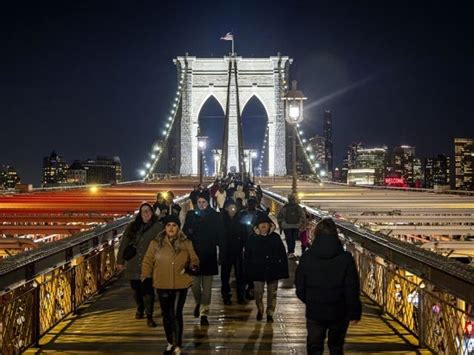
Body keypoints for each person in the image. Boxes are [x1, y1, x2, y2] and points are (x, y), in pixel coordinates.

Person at [295, 218, 362, 355]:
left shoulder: (307, 257)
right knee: (336, 346)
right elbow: (352, 287)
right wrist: (354, 311)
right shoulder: (345, 258)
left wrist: (310, 300)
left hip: (315, 310)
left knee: (314, 346)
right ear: (335, 235)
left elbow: (300, 285)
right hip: (339, 310)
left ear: (316, 234)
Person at [141, 214, 199, 354]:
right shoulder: (155, 243)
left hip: (180, 283)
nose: (171, 228)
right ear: (165, 228)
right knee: (166, 314)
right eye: (168, 225)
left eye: (174, 225)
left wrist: (193, 266)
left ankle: (177, 344)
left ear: (178, 228)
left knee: (176, 313)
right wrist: (146, 278)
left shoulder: (186, 242)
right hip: (162, 283)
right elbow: (147, 261)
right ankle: (169, 341)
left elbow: (194, 259)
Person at [117, 202, 163, 327]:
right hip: (133, 263)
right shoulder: (132, 226)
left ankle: (149, 316)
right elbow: (124, 243)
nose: (146, 213)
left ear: (152, 213)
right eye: (143, 211)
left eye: (148, 211)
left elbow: (163, 244)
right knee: (136, 289)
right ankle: (140, 307)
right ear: (140, 213)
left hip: (149, 263)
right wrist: (120, 261)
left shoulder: (158, 226)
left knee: (148, 290)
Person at [182, 193, 224, 326]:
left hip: (209, 255)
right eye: (199, 202)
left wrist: (222, 252)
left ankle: (204, 313)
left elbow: (219, 236)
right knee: (194, 286)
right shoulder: (190, 216)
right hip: (194, 257)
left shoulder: (216, 217)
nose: (201, 204)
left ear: (208, 202)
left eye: (203, 202)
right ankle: (199, 304)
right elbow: (184, 235)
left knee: (207, 289)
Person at [244, 214, 289, 323]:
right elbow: (247, 256)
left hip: (273, 269)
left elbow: (282, 255)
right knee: (258, 293)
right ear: (257, 226)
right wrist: (247, 272)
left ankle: (270, 313)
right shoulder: (252, 238)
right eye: (261, 224)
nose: (263, 225)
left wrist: (283, 270)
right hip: (257, 270)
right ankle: (260, 309)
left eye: (266, 223)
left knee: (272, 293)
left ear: (270, 225)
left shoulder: (275, 238)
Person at [220, 200, 247, 305]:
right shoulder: (221, 220)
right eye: (231, 208)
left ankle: (241, 296)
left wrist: (244, 246)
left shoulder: (240, 220)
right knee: (225, 276)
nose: (233, 210)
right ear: (226, 209)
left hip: (238, 251)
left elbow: (244, 234)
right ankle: (226, 296)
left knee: (240, 274)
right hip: (226, 252)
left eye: (234, 208)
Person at [277, 193, 306, 259]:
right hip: (296, 225)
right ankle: (291, 251)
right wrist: (302, 224)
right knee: (293, 239)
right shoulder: (298, 207)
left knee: (288, 239)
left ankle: (290, 252)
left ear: (288, 199)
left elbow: (279, 216)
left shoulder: (285, 207)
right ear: (294, 199)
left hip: (286, 226)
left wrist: (281, 224)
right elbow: (303, 216)